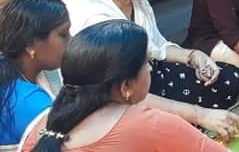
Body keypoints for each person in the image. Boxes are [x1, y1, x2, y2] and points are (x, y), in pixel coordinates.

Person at [65, 0, 239, 139]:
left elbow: (156, 47)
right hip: (112, 98)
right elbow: (116, 90)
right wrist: (200, 115)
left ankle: (180, 119)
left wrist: (194, 57)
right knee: (162, 128)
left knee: (228, 79)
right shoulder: (87, 7)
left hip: (144, 79)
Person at [21, 20, 227, 151]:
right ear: (126, 85)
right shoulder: (152, 124)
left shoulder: (41, 130)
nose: (151, 69)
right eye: (146, 63)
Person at [0, 0, 69, 146]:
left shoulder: (11, 72)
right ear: (31, 44)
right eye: (63, 35)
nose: (71, 40)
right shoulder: (32, 103)